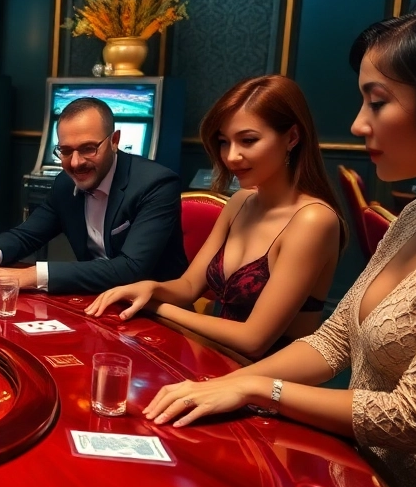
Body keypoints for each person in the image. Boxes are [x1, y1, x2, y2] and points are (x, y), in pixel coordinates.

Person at [144, 0, 416, 487]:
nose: (358, 124)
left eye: (376, 101)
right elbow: (333, 340)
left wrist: (256, 387)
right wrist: (215, 386)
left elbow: (415, 419)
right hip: (369, 485)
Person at [86, 76, 345, 358]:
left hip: (268, 387)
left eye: (248, 140)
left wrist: (158, 307)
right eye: (224, 142)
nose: (231, 156)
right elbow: (188, 287)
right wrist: (151, 288)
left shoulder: (314, 221)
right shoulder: (241, 201)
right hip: (216, 362)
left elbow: (253, 339)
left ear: (292, 138)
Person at [0, 97, 187, 293]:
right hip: (94, 300)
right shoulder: (65, 184)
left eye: (88, 148)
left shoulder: (155, 184)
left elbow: (132, 268)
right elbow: (27, 235)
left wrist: (35, 275)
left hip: (156, 311)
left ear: (114, 141)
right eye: (65, 151)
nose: (75, 163)